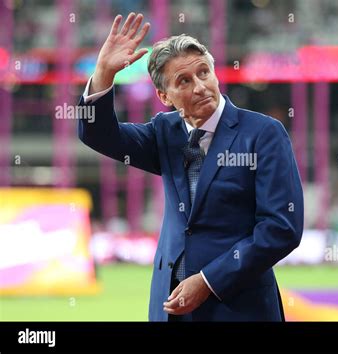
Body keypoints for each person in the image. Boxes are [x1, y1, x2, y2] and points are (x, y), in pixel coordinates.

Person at [78, 12, 304, 321]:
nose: (199, 86)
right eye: (184, 80)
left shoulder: (263, 133)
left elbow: (282, 229)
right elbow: (99, 135)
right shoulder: (164, 132)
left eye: (203, 73)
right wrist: (103, 72)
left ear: (215, 74)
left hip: (239, 308)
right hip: (171, 309)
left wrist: (208, 281)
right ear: (164, 96)